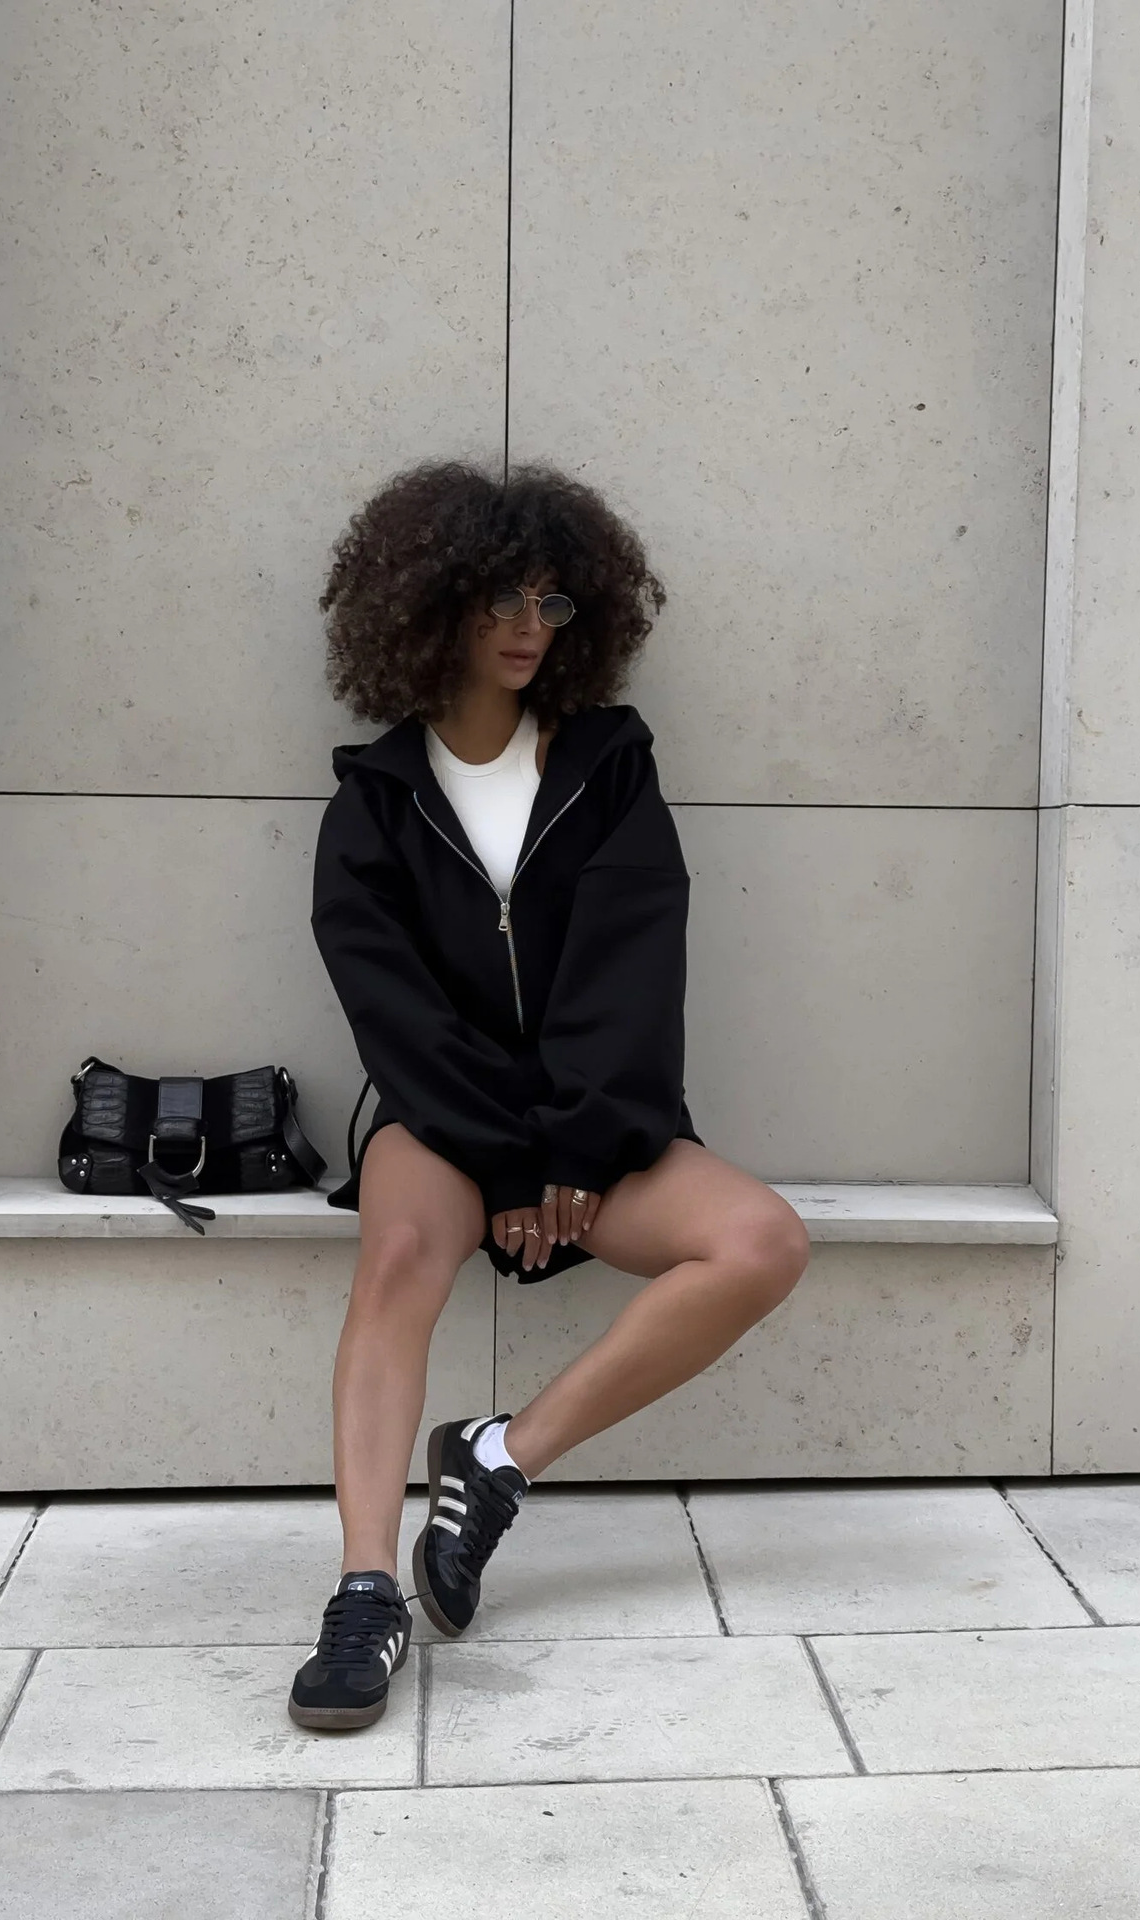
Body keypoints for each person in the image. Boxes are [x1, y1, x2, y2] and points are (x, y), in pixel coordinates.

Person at [287, 459, 810, 1730]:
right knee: (397, 1253)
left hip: (596, 1122)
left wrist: (575, 1145)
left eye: (552, 602)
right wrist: (509, 1163)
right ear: (432, 605)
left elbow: (635, 967)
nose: (531, 628)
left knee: (763, 1243)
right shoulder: (374, 801)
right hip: (443, 1121)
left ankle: (498, 1460)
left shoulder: (609, 764)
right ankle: (365, 1592)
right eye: (501, 600)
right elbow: (393, 1016)